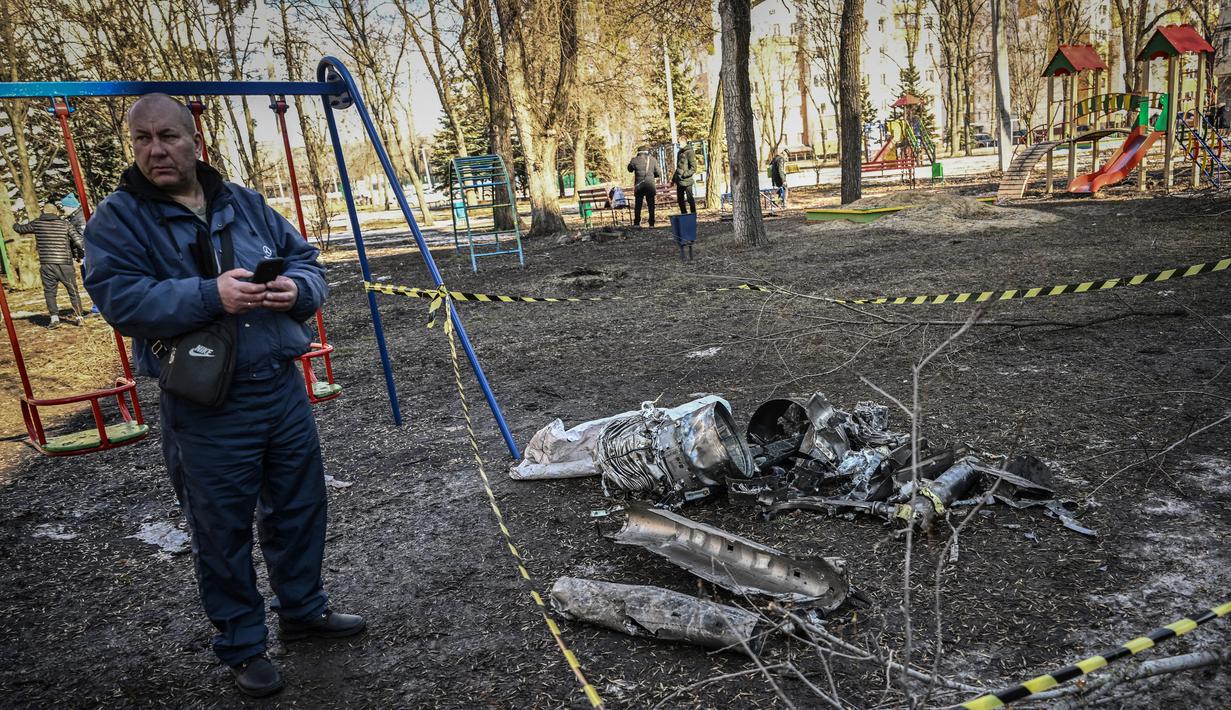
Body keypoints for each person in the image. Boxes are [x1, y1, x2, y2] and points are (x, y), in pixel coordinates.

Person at [82, 94, 364, 699]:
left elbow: (307, 262)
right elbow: (120, 300)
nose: (155, 149)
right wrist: (211, 296)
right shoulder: (118, 219)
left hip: (280, 388)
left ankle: (303, 611)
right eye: (142, 139)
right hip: (206, 403)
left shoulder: (243, 201)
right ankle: (242, 645)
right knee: (221, 529)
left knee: (299, 507)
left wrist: (296, 289)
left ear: (194, 140)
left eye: (168, 137)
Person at [14, 202, 86, 328]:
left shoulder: (37, 223)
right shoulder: (65, 224)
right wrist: (80, 255)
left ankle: (54, 319)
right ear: (56, 212)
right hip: (65, 264)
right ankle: (79, 317)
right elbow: (79, 242)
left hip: (47, 265)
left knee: (50, 292)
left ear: (44, 212)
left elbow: (19, 229)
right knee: (73, 291)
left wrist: (15, 220)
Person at [627, 146, 661, 227]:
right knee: (651, 205)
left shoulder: (634, 160)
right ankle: (651, 224)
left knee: (638, 205)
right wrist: (652, 175)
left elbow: (629, 169)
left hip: (639, 186)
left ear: (638, 152)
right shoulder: (653, 160)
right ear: (647, 151)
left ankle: (636, 223)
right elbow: (658, 173)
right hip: (650, 185)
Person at [672, 139, 697, 215]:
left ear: (684, 142)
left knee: (690, 199)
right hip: (679, 180)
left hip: (687, 180)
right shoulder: (679, 152)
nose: (679, 144)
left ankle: (693, 214)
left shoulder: (690, 152)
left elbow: (693, 168)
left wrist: (685, 174)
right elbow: (678, 168)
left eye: (680, 142)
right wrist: (673, 180)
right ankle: (684, 215)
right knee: (680, 200)